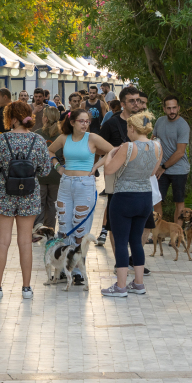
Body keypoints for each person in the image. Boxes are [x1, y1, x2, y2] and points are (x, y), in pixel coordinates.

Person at [0, 100, 51, 299]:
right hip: (29, 195)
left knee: (2, 242)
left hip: (3, 194)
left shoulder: (1, 140)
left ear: (11, 118)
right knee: (25, 242)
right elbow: (46, 170)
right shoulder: (38, 140)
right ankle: (26, 288)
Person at [48, 109, 115, 283]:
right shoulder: (64, 138)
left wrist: (95, 167)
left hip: (85, 184)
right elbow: (49, 151)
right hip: (66, 183)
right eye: (81, 121)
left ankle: (77, 270)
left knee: (80, 228)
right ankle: (63, 267)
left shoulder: (92, 138)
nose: (85, 124)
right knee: (64, 226)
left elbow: (113, 151)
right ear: (72, 122)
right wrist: (58, 168)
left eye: (87, 121)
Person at [100, 111, 161, 297]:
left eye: (128, 128)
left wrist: (110, 154)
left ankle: (120, 286)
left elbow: (109, 170)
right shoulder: (157, 147)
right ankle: (139, 284)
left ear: (132, 128)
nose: (127, 132)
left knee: (120, 242)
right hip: (145, 198)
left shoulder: (128, 146)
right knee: (136, 241)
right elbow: (152, 173)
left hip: (124, 198)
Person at [98, 87, 143, 248]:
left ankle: (135, 260)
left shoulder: (144, 122)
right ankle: (120, 261)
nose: (136, 103)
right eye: (132, 100)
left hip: (139, 179)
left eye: (138, 100)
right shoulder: (112, 123)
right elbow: (98, 148)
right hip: (118, 179)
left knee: (140, 223)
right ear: (123, 104)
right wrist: (117, 150)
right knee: (115, 223)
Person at [153, 96, 191, 223]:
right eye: (168, 108)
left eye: (174, 108)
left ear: (179, 108)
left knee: (179, 202)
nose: (172, 111)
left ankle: (177, 234)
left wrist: (163, 167)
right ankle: (158, 233)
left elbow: (180, 152)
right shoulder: (159, 121)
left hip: (178, 170)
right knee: (156, 200)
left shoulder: (183, 125)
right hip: (160, 169)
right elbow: (152, 140)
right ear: (164, 109)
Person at [34, 106, 64, 232]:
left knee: (39, 203)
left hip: (40, 175)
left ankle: (38, 229)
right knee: (52, 204)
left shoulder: (37, 134)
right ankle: (50, 229)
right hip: (57, 174)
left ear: (45, 118)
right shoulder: (62, 135)